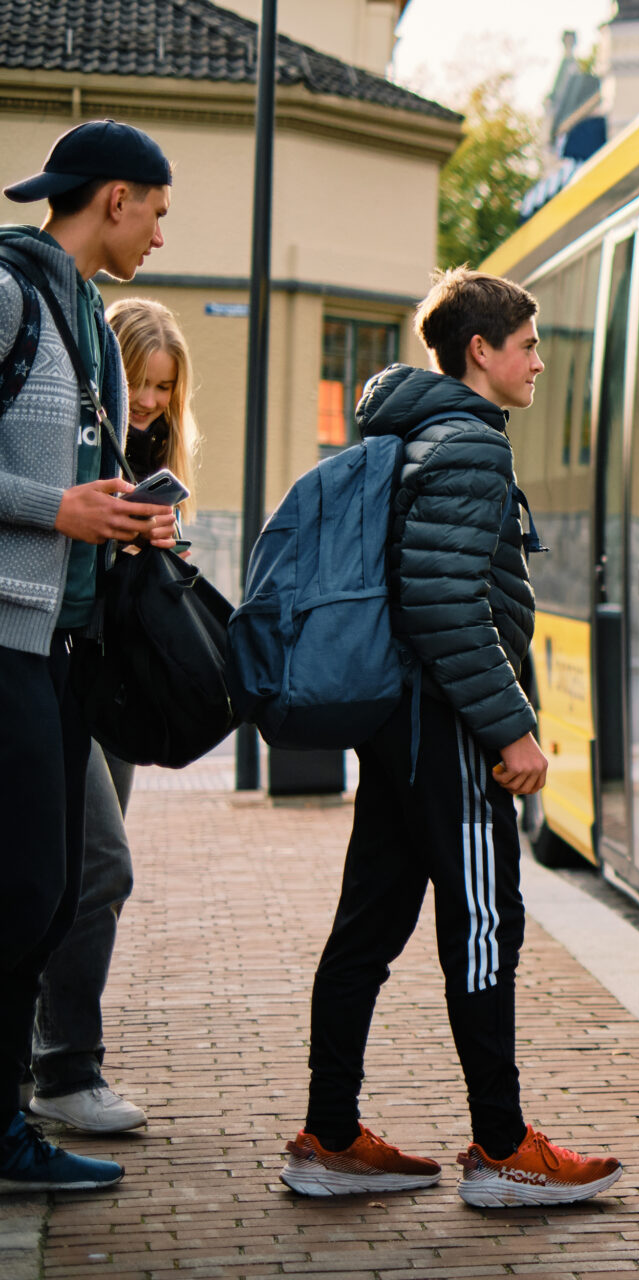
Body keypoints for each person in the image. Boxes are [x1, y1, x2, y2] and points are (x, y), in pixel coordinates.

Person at [280, 267, 622, 1208]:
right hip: (449, 728)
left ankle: (330, 1136)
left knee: (368, 928)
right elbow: (443, 604)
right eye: (528, 345)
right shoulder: (470, 445)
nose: (539, 363)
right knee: (482, 928)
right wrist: (511, 730)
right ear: (481, 350)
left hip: (399, 723)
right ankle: (505, 1149)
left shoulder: (412, 431)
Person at [0, 118, 177, 1191]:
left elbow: (78, 479)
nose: (160, 229)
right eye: (156, 207)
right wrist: (52, 507)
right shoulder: (12, 293)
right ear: (114, 197)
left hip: (70, 645)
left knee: (52, 888)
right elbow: (40, 491)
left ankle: (14, 1121)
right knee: (25, 888)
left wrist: (127, 517)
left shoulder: (94, 325)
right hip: (6, 638)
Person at [26, 299, 197, 1135]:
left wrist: (157, 541)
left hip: (111, 671)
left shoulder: (151, 446)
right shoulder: (71, 426)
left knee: (73, 875)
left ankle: (43, 1055)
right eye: (142, 381)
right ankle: (66, 1067)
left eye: (166, 388)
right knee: (98, 868)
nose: (155, 401)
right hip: (50, 658)